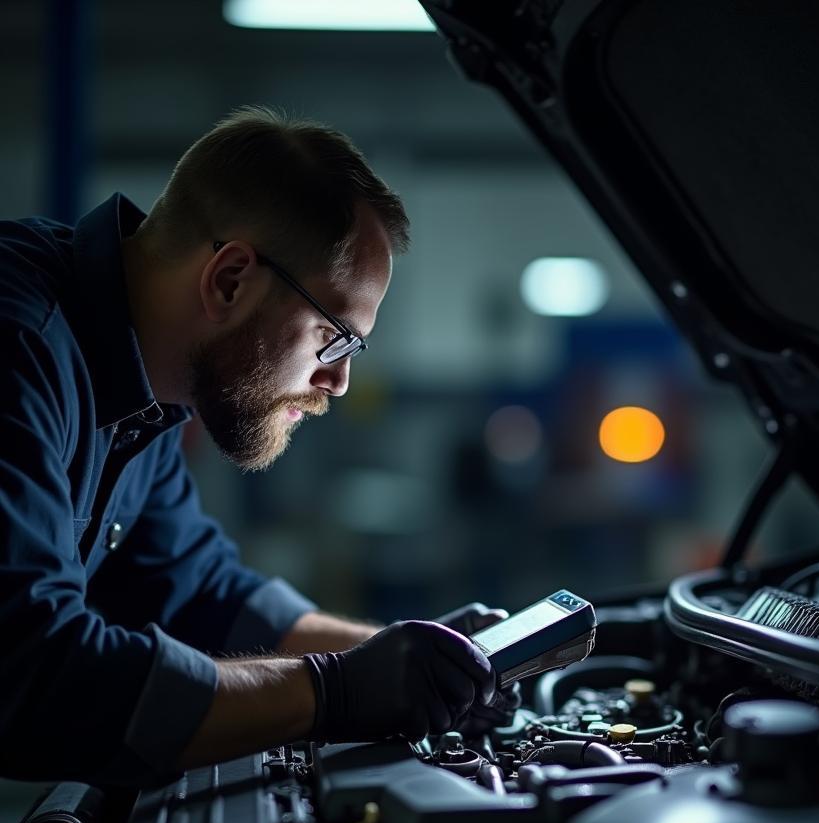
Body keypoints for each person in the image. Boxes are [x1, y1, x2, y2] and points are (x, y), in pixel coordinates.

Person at [0, 107, 512, 788]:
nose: (338, 381)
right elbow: (33, 678)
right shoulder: (18, 347)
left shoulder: (147, 390)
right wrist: (332, 692)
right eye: (335, 337)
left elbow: (196, 588)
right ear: (231, 280)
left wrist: (405, 660)